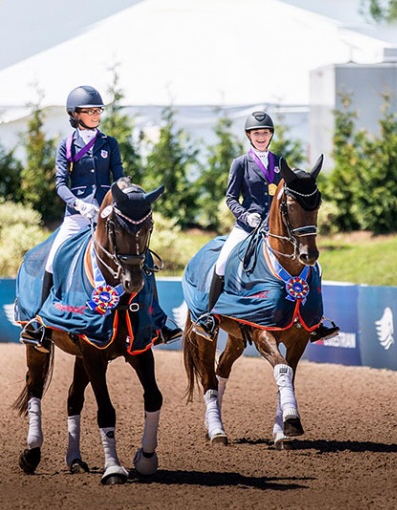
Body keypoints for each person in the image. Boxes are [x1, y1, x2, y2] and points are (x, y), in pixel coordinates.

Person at [20, 85, 182, 352]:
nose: (96, 115)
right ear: (75, 114)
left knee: (144, 258)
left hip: (107, 214)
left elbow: (119, 176)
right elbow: (61, 183)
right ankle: (40, 322)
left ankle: (158, 320)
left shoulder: (109, 143)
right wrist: (77, 204)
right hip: (77, 215)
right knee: (54, 258)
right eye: (90, 111)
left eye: (98, 110)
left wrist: (124, 196)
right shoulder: (67, 145)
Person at [194, 111, 339, 342]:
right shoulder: (240, 163)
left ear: (270, 135)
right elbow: (230, 198)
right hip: (247, 226)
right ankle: (210, 318)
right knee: (222, 262)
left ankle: (316, 322)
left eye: (265, 132)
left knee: (315, 268)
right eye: (256, 133)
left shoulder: (281, 164)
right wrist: (245, 215)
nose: (261, 136)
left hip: (276, 229)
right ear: (249, 136)